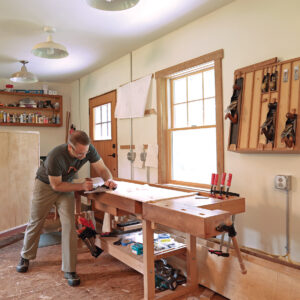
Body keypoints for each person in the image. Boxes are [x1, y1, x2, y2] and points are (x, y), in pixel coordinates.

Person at [16, 130, 117, 286]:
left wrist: (109, 180)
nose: (84, 156)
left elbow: (102, 169)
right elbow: (56, 185)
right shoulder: (56, 156)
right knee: (36, 221)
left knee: (69, 224)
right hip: (46, 185)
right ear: (70, 148)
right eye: (80, 154)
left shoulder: (87, 149)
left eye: (86, 152)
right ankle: (26, 256)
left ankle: (70, 269)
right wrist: (81, 185)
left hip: (67, 185)